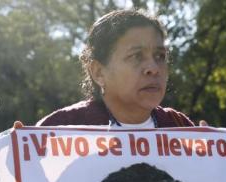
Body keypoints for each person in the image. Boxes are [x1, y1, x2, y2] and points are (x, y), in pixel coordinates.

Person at [37, 9, 197, 128]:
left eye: (160, 56)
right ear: (98, 72)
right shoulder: (61, 129)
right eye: (136, 56)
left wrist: (212, 155)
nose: (154, 68)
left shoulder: (179, 126)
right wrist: (18, 153)